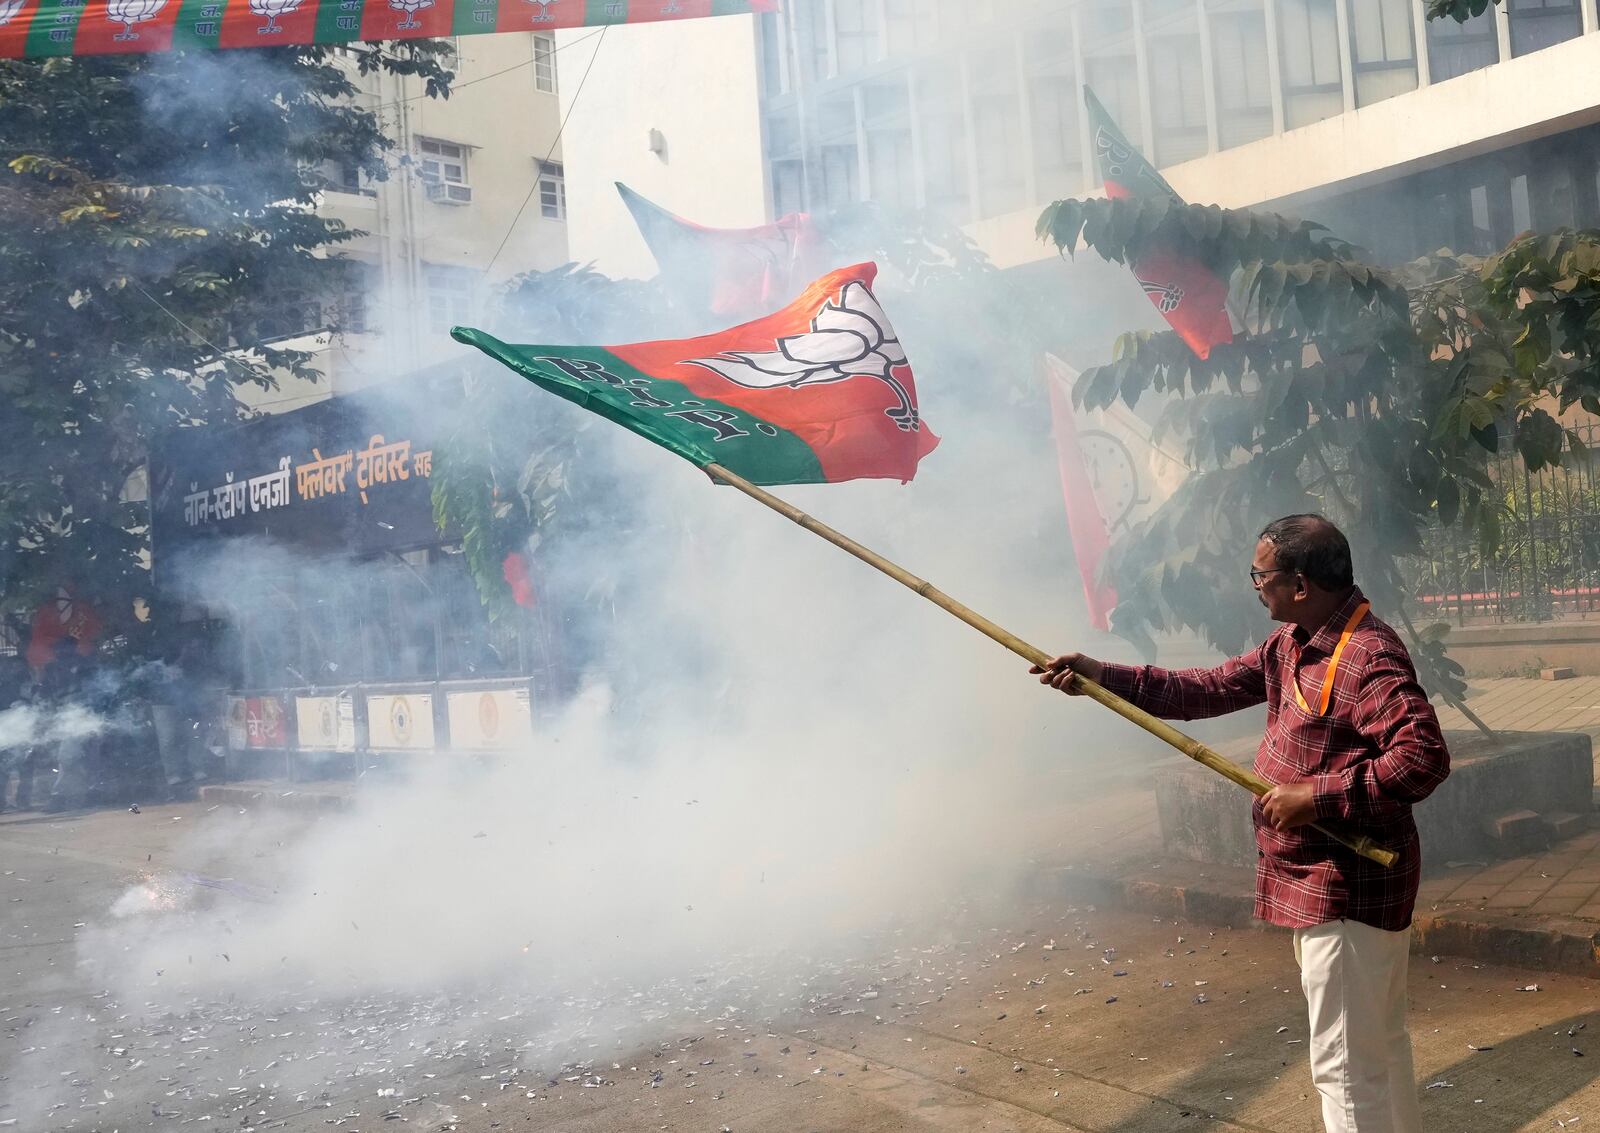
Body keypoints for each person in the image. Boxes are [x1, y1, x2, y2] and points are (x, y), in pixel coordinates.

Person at [1032, 514, 1449, 1133]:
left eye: (1262, 575)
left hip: (1346, 887)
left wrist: (1318, 797)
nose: (1255, 586)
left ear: (1300, 584)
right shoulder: (1294, 646)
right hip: (1330, 885)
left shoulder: (1366, 654)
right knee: (1378, 1047)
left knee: (1343, 1065)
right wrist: (1102, 676)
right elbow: (1203, 689)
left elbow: (1423, 758)